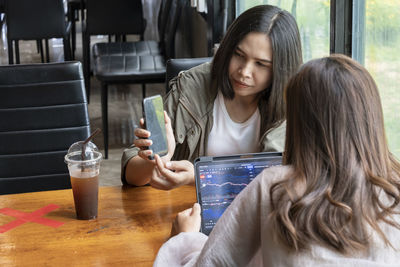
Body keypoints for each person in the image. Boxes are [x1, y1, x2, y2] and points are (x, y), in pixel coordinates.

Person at [153, 54, 400, 266]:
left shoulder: (274, 187)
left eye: (262, 64)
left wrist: (185, 240)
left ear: (299, 123)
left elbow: (212, 263)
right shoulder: (394, 191)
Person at [121, 5, 303, 189]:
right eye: (238, 55)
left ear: (281, 70)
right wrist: (155, 159)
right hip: (191, 212)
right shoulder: (192, 86)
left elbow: (286, 184)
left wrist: (201, 177)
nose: (244, 72)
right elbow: (131, 175)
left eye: (261, 64)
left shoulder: (292, 107)